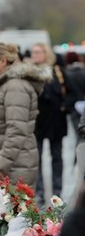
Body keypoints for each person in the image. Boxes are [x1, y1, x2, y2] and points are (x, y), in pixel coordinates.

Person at [0, 42, 51, 186]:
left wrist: (0, 167)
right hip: (6, 165)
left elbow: (16, 131)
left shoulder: (16, 87)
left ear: (3, 61)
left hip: (12, 168)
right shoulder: (5, 85)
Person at [31, 43, 77, 202]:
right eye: (33, 52)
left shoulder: (58, 72)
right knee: (36, 158)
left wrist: (65, 106)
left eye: (37, 52)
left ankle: (58, 191)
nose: (34, 55)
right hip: (37, 122)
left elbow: (72, 93)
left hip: (56, 121)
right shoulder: (30, 73)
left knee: (57, 157)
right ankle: (40, 191)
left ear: (46, 53)